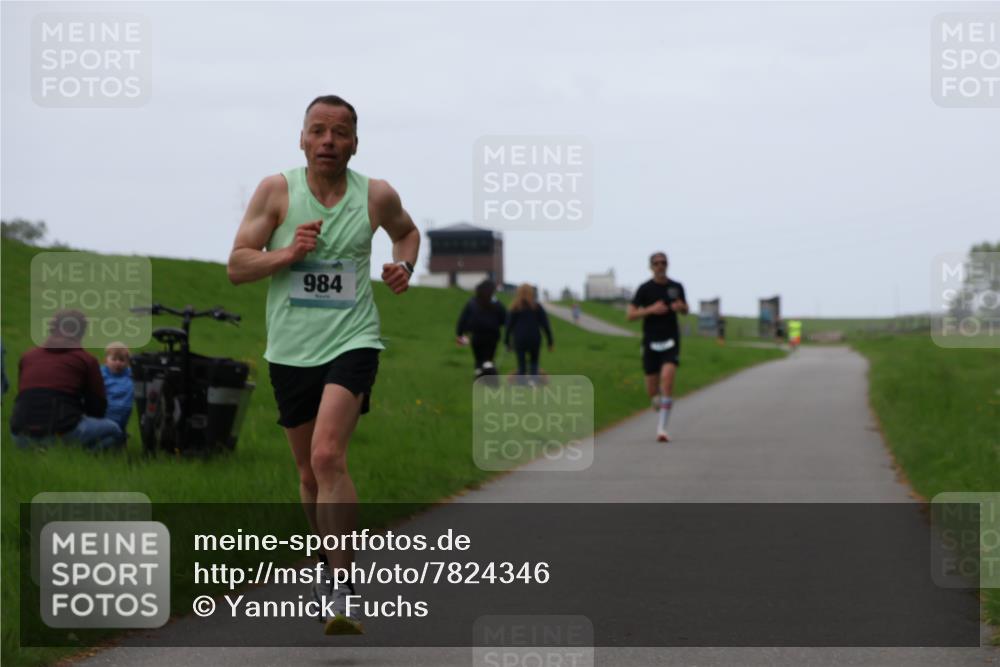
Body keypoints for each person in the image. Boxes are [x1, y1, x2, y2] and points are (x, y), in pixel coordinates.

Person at [226, 94, 418, 635]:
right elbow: (237, 266)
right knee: (309, 474)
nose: (328, 141)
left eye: (339, 132)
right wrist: (288, 254)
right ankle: (323, 563)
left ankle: (343, 585)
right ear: (302, 139)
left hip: (353, 340)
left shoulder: (375, 195)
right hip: (290, 350)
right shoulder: (276, 192)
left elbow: (407, 232)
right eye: (318, 130)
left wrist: (403, 266)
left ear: (355, 143)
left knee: (329, 455)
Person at [9, 310, 125, 451]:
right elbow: (97, 407)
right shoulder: (86, 359)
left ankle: (49, 453)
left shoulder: (27, 357)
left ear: (52, 328)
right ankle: (80, 455)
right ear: (81, 331)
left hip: (19, 435)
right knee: (114, 430)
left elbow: (25, 394)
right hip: (62, 430)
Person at [627, 252, 688, 443]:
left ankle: (662, 429)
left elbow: (686, 309)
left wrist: (681, 308)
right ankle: (657, 400)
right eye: (656, 263)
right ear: (651, 267)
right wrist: (651, 310)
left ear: (667, 265)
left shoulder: (676, 287)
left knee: (667, 380)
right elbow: (630, 315)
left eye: (663, 262)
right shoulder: (645, 289)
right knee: (653, 391)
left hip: (671, 340)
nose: (660, 266)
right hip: (651, 342)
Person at [456, 280, 506, 380]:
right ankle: (490, 376)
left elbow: (463, 319)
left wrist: (460, 333)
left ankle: (479, 375)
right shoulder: (496, 303)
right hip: (493, 335)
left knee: (479, 359)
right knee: (489, 358)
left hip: (477, 335)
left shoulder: (472, 303)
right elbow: (504, 318)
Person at [505, 283, 554, 383]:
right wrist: (550, 341)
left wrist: (507, 342)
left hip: (519, 339)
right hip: (534, 338)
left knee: (521, 364)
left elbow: (509, 327)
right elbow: (545, 325)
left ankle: (522, 383)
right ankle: (533, 382)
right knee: (534, 362)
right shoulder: (537, 307)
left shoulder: (515, 307)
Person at [101, 342, 134, 433]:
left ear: (127, 362)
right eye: (114, 359)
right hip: (106, 413)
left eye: (122, 360)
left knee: (119, 432)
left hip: (124, 413)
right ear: (106, 361)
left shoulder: (130, 374)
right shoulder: (101, 374)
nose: (118, 363)